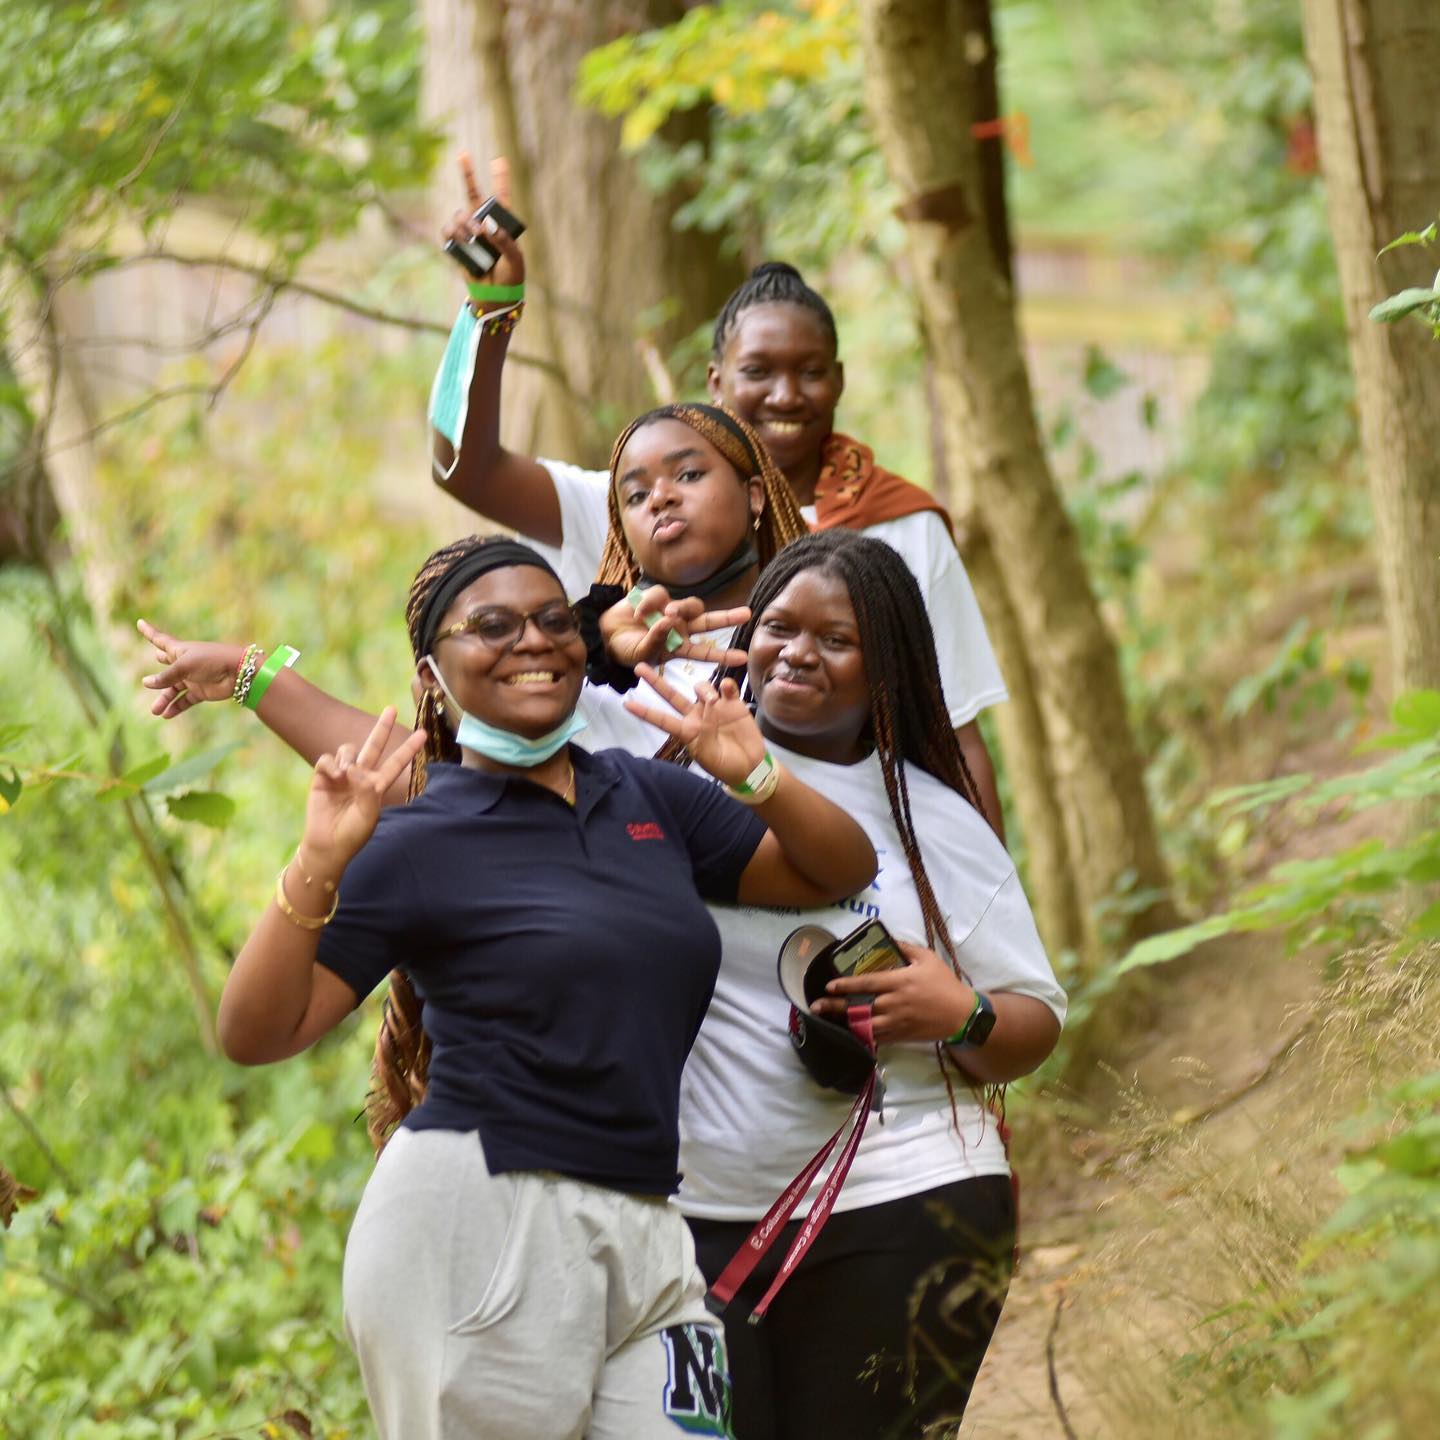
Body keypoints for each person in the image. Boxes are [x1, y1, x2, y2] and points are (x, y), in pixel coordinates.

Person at [209, 534, 877, 1440]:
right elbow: (256, 1032)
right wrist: (318, 861)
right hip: (482, 1215)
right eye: (492, 625)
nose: (532, 639)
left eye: (553, 620)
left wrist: (754, 773)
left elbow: (839, 867)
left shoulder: (647, 796)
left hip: (648, 1222)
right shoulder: (415, 838)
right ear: (433, 674)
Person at [431, 156, 1009, 836]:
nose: (784, 395)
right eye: (757, 371)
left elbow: (951, 733)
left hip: (840, 855)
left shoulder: (899, 529)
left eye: (809, 372)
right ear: (716, 381)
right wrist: (491, 309)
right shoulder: (633, 509)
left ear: (839, 380)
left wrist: (976, 887)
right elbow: (465, 470)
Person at [639, 529, 1065, 1438]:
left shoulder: (930, 816)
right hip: (694, 1220)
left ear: (885, 671)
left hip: (902, 1198)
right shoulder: (666, 781)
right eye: (780, 627)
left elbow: (1034, 1022)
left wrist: (959, 1013)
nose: (798, 652)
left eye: (836, 640)